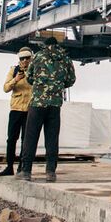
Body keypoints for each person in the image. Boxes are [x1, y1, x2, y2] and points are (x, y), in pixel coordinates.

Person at [20, 36, 76, 182]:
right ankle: (50, 172)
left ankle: (26, 171)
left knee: (30, 137)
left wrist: (40, 85)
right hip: (55, 104)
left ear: (45, 45)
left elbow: (29, 77)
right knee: (52, 139)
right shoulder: (65, 58)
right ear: (57, 45)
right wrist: (58, 85)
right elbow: (71, 80)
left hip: (37, 103)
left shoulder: (38, 57)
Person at [0, 47, 32, 176]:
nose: (24, 61)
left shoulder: (35, 70)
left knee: (26, 140)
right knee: (11, 139)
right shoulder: (14, 70)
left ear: (31, 58)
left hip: (29, 109)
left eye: (27, 58)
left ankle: (22, 166)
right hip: (16, 109)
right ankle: (9, 166)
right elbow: (5, 88)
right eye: (22, 58)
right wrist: (16, 79)